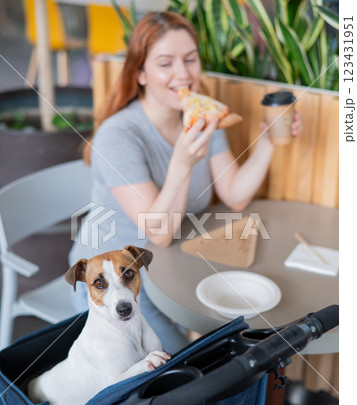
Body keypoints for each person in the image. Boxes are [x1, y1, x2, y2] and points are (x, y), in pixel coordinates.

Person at [69, 11, 301, 353]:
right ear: (141, 74)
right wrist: (182, 162)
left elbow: (234, 195)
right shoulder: (119, 135)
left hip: (174, 270)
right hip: (115, 285)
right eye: (166, 63)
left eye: (190, 59)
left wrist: (268, 142)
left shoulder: (202, 115)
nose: (184, 74)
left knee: (226, 348)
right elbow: (158, 232)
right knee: (188, 366)